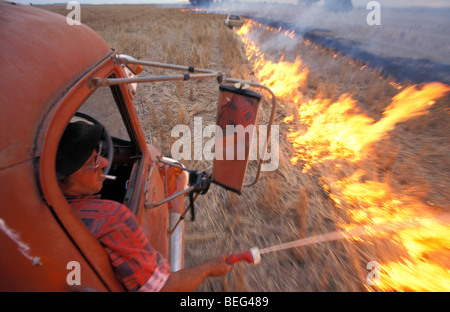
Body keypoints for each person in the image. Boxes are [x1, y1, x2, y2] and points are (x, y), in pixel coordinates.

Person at [56, 121, 234, 292]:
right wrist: (210, 268)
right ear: (63, 178)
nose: (103, 163)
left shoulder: (51, 213)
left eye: (98, 151)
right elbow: (164, 288)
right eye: (92, 162)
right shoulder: (111, 218)